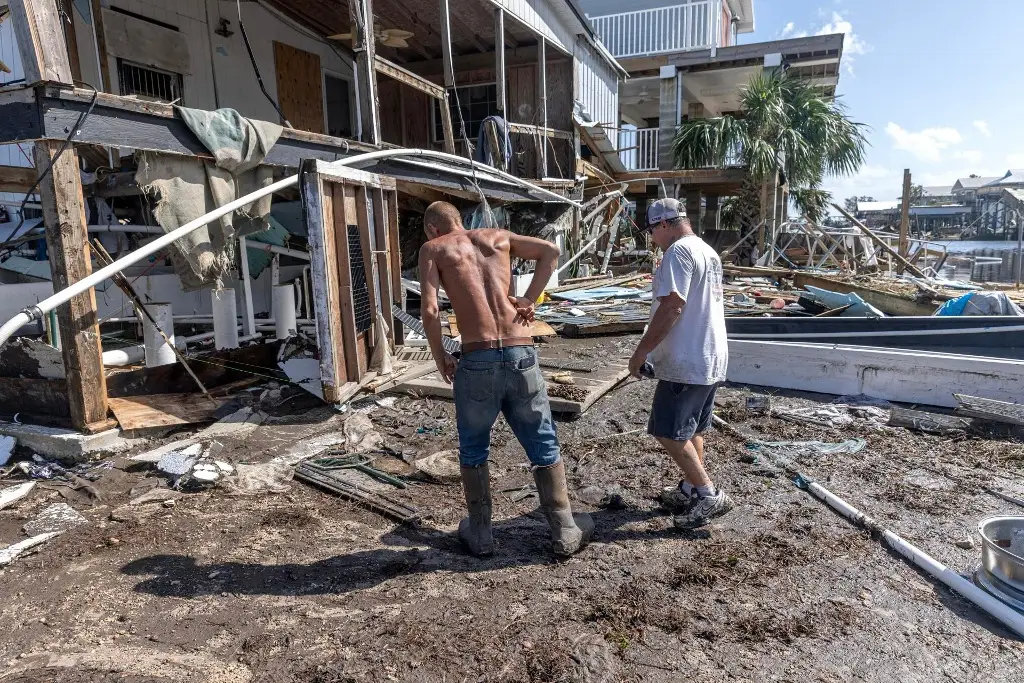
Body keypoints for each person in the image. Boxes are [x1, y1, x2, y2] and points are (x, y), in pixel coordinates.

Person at [418, 201, 593, 558]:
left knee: (474, 446)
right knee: (542, 440)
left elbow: (431, 309)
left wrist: (440, 356)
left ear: (433, 230)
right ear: (459, 220)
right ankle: (564, 529)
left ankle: (481, 535)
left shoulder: (433, 249)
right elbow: (551, 251)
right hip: (520, 353)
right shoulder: (497, 237)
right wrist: (530, 298)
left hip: (477, 356)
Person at [627, 198, 732, 528]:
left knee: (668, 431)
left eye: (652, 231)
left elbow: (672, 307)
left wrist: (641, 351)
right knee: (692, 429)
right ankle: (690, 488)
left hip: (687, 357)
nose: (652, 239)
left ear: (664, 224)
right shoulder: (706, 251)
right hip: (709, 354)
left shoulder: (678, 252)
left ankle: (707, 493)